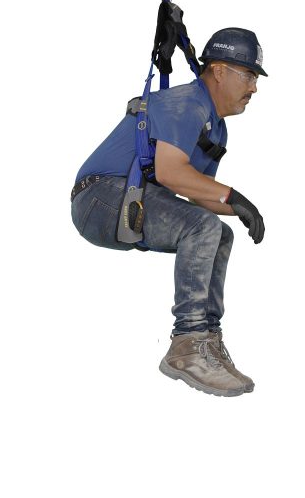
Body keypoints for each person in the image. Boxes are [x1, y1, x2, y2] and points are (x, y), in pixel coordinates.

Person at [70, 27, 268, 397]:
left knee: (218, 233)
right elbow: (171, 173)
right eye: (249, 75)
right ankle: (187, 344)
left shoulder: (216, 128)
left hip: (130, 199)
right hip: (99, 197)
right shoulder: (187, 103)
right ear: (219, 71)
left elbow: (197, 193)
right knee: (203, 227)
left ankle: (207, 340)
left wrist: (239, 209)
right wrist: (232, 196)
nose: (254, 88)